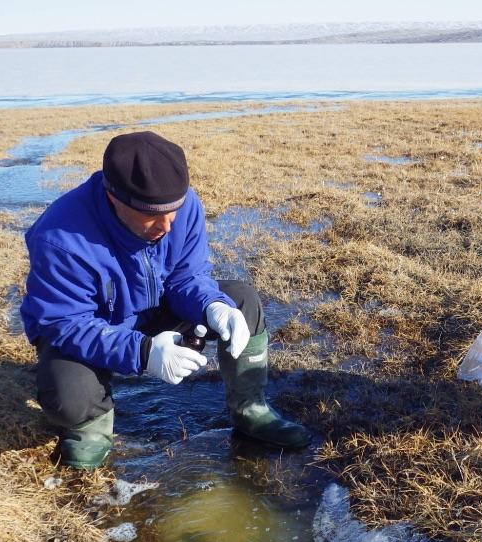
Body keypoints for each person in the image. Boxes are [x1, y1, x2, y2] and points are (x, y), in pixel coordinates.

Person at [20, 130, 314, 469]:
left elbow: (188, 277)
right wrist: (143, 353)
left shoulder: (185, 206)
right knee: (67, 389)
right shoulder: (60, 237)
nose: (167, 225)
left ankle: (252, 408)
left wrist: (212, 306)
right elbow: (63, 323)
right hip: (97, 328)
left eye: (173, 210)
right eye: (151, 215)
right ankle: (90, 430)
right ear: (114, 198)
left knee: (240, 300)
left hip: (159, 308)